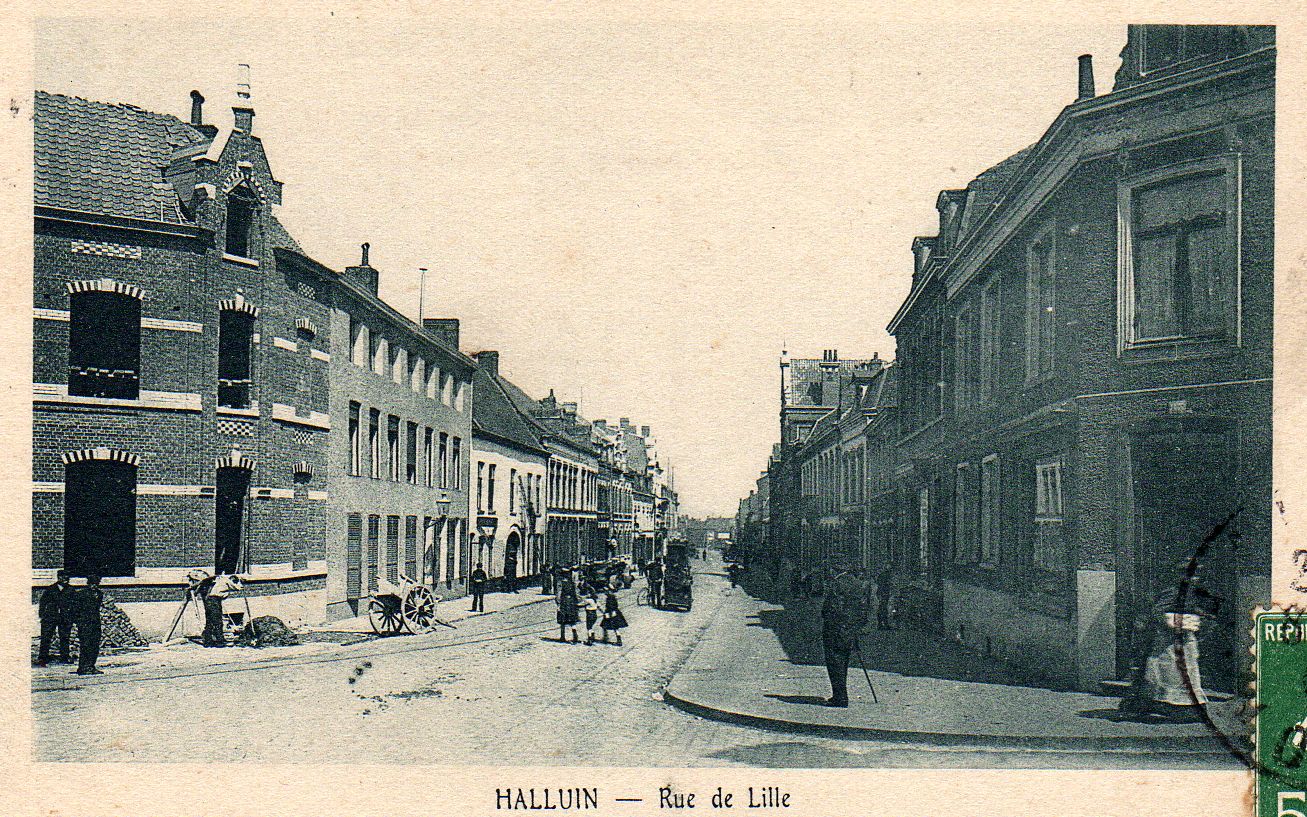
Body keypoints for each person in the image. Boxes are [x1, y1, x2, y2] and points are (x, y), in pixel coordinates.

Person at [821, 559, 869, 707]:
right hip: (850, 630)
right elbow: (863, 609)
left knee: (835, 664)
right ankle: (841, 695)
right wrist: (855, 627)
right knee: (844, 662)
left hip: (835, 630)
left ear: (835, 570)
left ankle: (840, 697)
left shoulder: (836, 584)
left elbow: (831, 608)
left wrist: (828, 618)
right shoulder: (858, 584)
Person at [36, 569, 75, 666]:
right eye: (63, 577)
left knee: (65, 637)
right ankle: (43, 658)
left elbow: (75, 604)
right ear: (58, 578)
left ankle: (64, 657)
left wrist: (73, 616)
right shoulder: (50, 589)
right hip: (50, 617)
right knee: (46, 636)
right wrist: (42, 615)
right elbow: (43, 602)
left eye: (67, 577)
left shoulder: (71, 590)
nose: (66, 579)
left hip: (65, 617)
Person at [202, 573, 242, 647]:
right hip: (214, 601)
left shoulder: (221, 580)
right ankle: (220, 642)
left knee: (210, 622)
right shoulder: (227, 581)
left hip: (211, 601)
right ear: (232, 580)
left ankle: (207, 642)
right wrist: (240, 586)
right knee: (218, 622)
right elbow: (235, 587)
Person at [75, 574, 104, 675]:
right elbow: (76, 610)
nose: (94, 586)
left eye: (96, 584)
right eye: (92, 584)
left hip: (95, 623)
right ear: (88, 584)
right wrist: (79, 622)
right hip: (84, 623)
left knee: (95, 645)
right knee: (85, 645)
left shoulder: (100, 594)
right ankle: (83, 667)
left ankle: (91, 666)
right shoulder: (81, 594)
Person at [556, 575, 580, 643]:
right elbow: (576, 593)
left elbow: (559, 594)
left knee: (562, 620)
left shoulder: (560, 583)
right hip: (571, 603)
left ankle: (562, 637)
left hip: (564, 602)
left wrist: (558, 603)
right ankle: (575, 636)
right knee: (572, 620)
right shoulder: (572, 583)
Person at [875, 560, 896, 630]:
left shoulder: (884, 575)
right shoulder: (885, 575)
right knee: (883, 608)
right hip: (883, 593)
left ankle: (881, 624)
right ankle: (883, 624)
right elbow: (882, 584)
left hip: (883, 593)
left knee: (882, 608)